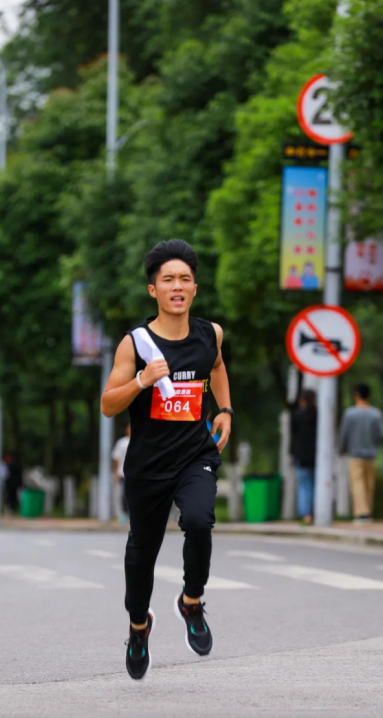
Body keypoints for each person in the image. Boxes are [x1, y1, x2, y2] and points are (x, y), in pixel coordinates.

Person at [101, 239, 233, 681]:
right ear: (153, 289)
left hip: (195, 454)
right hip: (148, 466)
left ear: (195, 288)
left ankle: (191, 601)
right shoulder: (135, 345)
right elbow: (107, 405)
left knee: (198, 520)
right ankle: (139, 627)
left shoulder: (210, 334)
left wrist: (225, 410)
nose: (177, 286)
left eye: (185, 279)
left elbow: (217, 367)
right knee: (141, 554)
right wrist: (141, 380)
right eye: (168, 280)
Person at [339, 383, 383, 524]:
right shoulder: (376, 413)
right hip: (371, 454)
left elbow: (344, 434)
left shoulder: (349, 414)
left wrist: (341, 449)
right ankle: (368, 511)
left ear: (356, 395)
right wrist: (375, 444)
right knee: (369, 484)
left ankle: (361, 513)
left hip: (355, 454)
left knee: (357, 483)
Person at [290, 389, 317, 525]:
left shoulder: (296, 415)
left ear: (302, 400)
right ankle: (315, 511)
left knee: (304, 486)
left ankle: (306, 515)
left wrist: (292, 453)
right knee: (314, 485)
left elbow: (293, 436)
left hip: (301, 456)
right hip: (316, 456)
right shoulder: (318, 415)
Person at [112, 424, 131, 522]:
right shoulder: (122, 442)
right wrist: (115, 471)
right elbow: (116, 458)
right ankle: (124, 514)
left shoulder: (141, 440)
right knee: (125, 494)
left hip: (138, 473)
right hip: (123, 473)